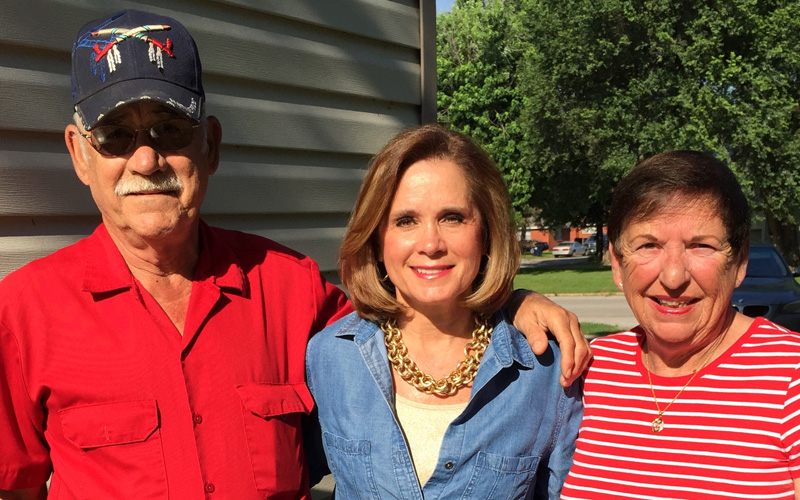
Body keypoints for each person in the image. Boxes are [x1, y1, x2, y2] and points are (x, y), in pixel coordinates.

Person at [0, 9, 589, 500]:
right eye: (116, 135)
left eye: (169, 130)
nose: (147, 159)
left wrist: (513, 300)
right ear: (80, 154)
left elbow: (414, 311)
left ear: (210, 145)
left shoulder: (291, 289)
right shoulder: (25, 311)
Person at [306, 125, 583, 499]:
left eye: (452, 217)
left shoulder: (547, 374)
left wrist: (518, 298)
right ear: (376, 240)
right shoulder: (329, 357)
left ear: (485, 234)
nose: (431, 243)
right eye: (406, 220)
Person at [560, 151, 800, 499]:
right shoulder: (586, 368)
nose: (673, 277)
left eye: (701, 246)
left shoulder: (790, 372)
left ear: (740, 261)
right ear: (617, 263)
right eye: (648, 245)